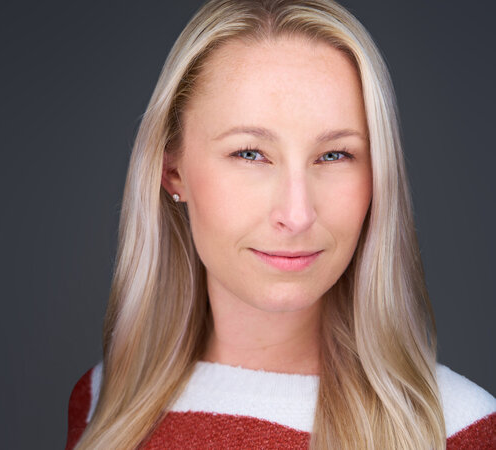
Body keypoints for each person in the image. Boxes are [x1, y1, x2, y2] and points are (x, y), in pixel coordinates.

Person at [65, 0, 495, 448]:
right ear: (173, 169)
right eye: (250, 153)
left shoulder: (458, 430)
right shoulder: (102, 403)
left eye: (334, 155)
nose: (297, 214)